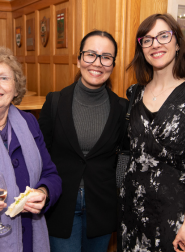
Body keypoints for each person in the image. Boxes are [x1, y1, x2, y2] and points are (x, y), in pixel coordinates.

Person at [119, 13, 185, 252]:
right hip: (131, 207)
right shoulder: (134, 93)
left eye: (163, 36)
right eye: (147, 39)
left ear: (177, 43)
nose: (155, 44)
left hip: (171, 213)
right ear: (142, 48)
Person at [0, 45, 62, 252]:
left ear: (16, 88)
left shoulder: (30, 122)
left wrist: (44, 192)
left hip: (28, 241)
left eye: (4, 78)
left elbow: (51, 174)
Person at [38, 30, 129, 252]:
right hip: (60, 204)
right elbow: (40, 153)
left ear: (113, 64)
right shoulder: (54, 101)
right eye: (90, 54)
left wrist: (116, 185)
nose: (97, 63)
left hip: (102, 206)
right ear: (78, 59)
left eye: (106, 57)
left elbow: (126, 152)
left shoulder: (122, 107)